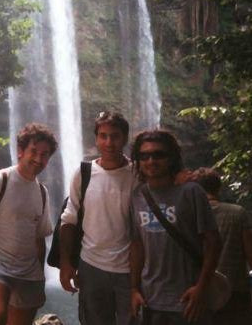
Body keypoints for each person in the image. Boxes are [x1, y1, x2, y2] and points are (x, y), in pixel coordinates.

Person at [0, 123, 58, 325]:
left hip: (29, 274)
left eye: (45, 155)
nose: (38, 159)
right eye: (33, 151)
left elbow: (39, 239)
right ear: (20, 151)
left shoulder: (42, 192)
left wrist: (40, 277)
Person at [129, 130, 220, 325]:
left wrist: (201, 288)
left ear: (171, 158)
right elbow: (137, 246)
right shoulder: (137, 196)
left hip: (188, 300)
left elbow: (213, 243)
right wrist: (134, 289)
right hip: (150, 300)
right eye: (144, 156)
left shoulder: (191, 192)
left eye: (158, 154)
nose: (151, 160)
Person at [59, 111, 138, 325]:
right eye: (103, 136)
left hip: (129, 269)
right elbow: (69, 221)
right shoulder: (83, 174)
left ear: (125, 138)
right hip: (91, 266)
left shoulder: (137, 175)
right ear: (96, 138)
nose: (109, 142)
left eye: (115, 136)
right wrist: (66, 263)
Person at [191, 167, 252, 325]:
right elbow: (250, 253)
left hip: (201, 291)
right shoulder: (238, 213)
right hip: (236, 290)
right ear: (218, 187)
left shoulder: (189, 215)